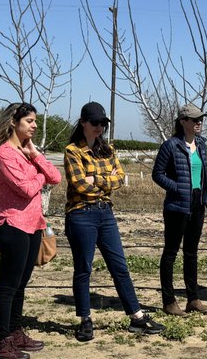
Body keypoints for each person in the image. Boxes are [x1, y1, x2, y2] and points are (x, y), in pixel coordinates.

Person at [64, 101, 164, 340]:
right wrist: (104, 179)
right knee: (84, 268)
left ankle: (136, 316)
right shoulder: (72, 151)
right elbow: (79, 185)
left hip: (105, 213)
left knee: (119, 266)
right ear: (83, 123)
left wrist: (95, 178)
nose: (99, 128)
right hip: (81, 214)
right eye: (95, 123)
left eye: (103, 123)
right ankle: (85, 319)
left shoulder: (107, 149)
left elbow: (119, 178)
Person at [0, 102, 61, 359]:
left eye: (35, 121)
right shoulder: (3, 154)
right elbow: (26, 189)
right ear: (13, 123)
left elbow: (56, 176)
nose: (34, 125)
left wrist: (36, 157)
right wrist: (40, 177)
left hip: (33, 225)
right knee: (7, 286)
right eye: (29, 120)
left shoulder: (27, 151)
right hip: (12, 225)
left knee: (20, 285)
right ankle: (3, 343)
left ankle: (16, 333)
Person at [152, 103, 207, 316]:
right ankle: (169, 301)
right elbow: (157, 174)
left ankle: (193, 298)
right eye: (194, 119)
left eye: (201, 119)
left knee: (191, 253)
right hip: (177, 205)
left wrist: (205, 195)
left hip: (197, 203)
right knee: (170, 253)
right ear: (183, 122)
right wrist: (177, 187)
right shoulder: (171, 145)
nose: (199, 123)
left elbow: (204, 173)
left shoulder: (202, 144)